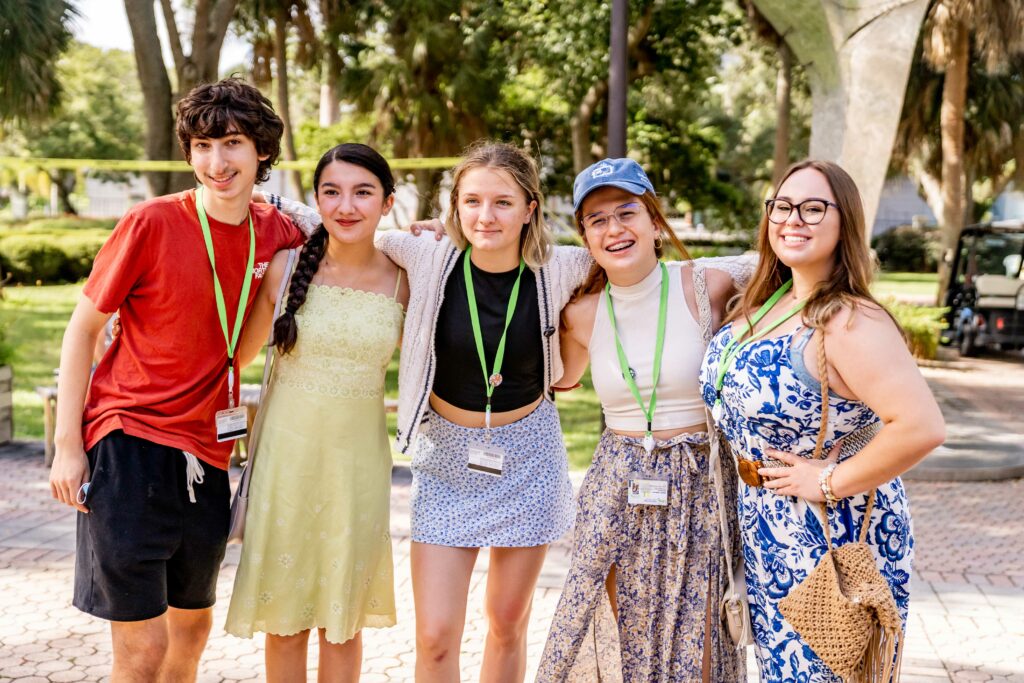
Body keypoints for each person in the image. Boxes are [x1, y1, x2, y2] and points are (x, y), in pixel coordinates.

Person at [270, 140, 591, 682]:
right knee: (436, 636)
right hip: (445, 460)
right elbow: (340, 215)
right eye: (472, 202)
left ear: (530, 207)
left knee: (507, 622)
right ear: (455, 207)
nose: (485, 216)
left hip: (530, 457)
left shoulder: (562, 266)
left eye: (502, 203)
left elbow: (649, 266)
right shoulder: (426, 255)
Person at [48, 78, 304, 682]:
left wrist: (421, 234)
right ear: (189, 153)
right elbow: (82, 331)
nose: (217, 162)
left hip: (209, 455)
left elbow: (352, 229)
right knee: (142, 650)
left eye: (233, 143)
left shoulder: (277, 231)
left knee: (191, 631)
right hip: (128, 445)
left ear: (262, 151)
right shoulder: (150, 223)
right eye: (202, 145)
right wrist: (67, 447)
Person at [698, 160, 945, 682]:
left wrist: (827, 480)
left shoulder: (850, 319)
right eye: (782, 207)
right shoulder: (768, 302)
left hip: (830, 531)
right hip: (767, 525)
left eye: (814, 208)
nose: (794, 219)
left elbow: (921, 426)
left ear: (845, 221)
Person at [537, 158, 748, 682]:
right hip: (618, 483)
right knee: (620, 631)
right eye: (597, 220)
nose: (614, 229)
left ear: (655, 222)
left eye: (627, 212)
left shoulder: (708, 286)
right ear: (584, 237)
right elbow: (559, 381)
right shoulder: (580, 314)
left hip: (700, 481)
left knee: (699, 640)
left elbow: (774, 259)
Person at [224, 143, 408, 681]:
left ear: (387, 202)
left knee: (342, 622)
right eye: (332, 191)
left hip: (357, 467)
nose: (346, 205)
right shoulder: (284, 269)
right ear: (317, 200)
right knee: (285, 622)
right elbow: (238, 354)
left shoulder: (405, 278)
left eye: (362, 192)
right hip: (288, 459)